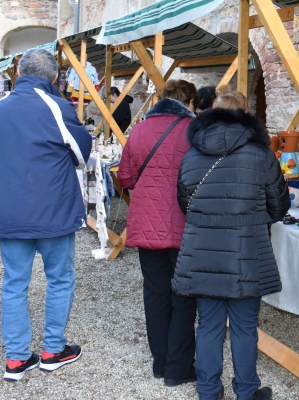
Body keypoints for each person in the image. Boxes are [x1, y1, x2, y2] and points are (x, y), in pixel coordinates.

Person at [175, 89, 290, 400]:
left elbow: (185, 203)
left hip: (202, 251)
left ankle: (208, 391)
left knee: (208, 325)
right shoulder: (261, 155)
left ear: (212, 113)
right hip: (246, 252)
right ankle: (247, 391)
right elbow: (279, 206)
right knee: (244, 326)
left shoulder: (192, 154)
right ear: (246, 114)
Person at [0, 48, 92, 381]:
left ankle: (17, 358)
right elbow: (82, 154)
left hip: (10, 208)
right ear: (55, 77)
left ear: (18, 73)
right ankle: (52, 350)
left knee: (14, 283)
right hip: (53, 208)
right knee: (59, 279)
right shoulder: (57, 106)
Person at [117, 79, 199, 386]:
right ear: (189, 103)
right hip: (183, 222)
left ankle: (160, 363)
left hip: (146, 221)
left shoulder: (139, 130)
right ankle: (179, 367)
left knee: (155, 293)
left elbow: (126, 178)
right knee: (183, 295)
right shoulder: (193, 131)